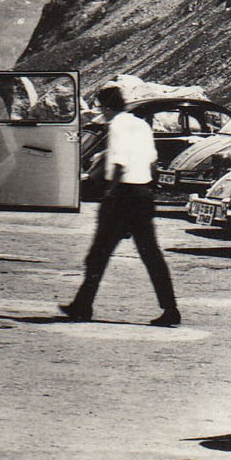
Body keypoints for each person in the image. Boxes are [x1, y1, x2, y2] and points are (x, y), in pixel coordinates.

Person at [60, 85, 179, 326]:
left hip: (122, 195)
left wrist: (110, 192)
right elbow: (152, 161)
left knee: (98, 254)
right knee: (151, 254)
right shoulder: (141, 124)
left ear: (106, 107)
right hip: (143, 193)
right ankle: (170, 308)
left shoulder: (116, 125)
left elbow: (118, 162)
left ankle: (82, 306)